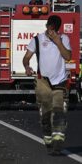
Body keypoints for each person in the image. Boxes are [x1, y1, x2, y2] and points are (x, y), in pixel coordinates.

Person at [23, 15, 71, 154]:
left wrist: (58, 42)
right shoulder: (37, 39)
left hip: (60, 81)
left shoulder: (63, 39)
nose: (51, 31)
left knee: (59, 112)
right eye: (50, 28)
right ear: (47, 26)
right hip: (43, 81)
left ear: (58, 29)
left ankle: (57, 144)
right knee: (46, 114)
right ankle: (48, 139)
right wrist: (27, 67)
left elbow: (67, 57)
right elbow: (26, 57)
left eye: (55, 29)